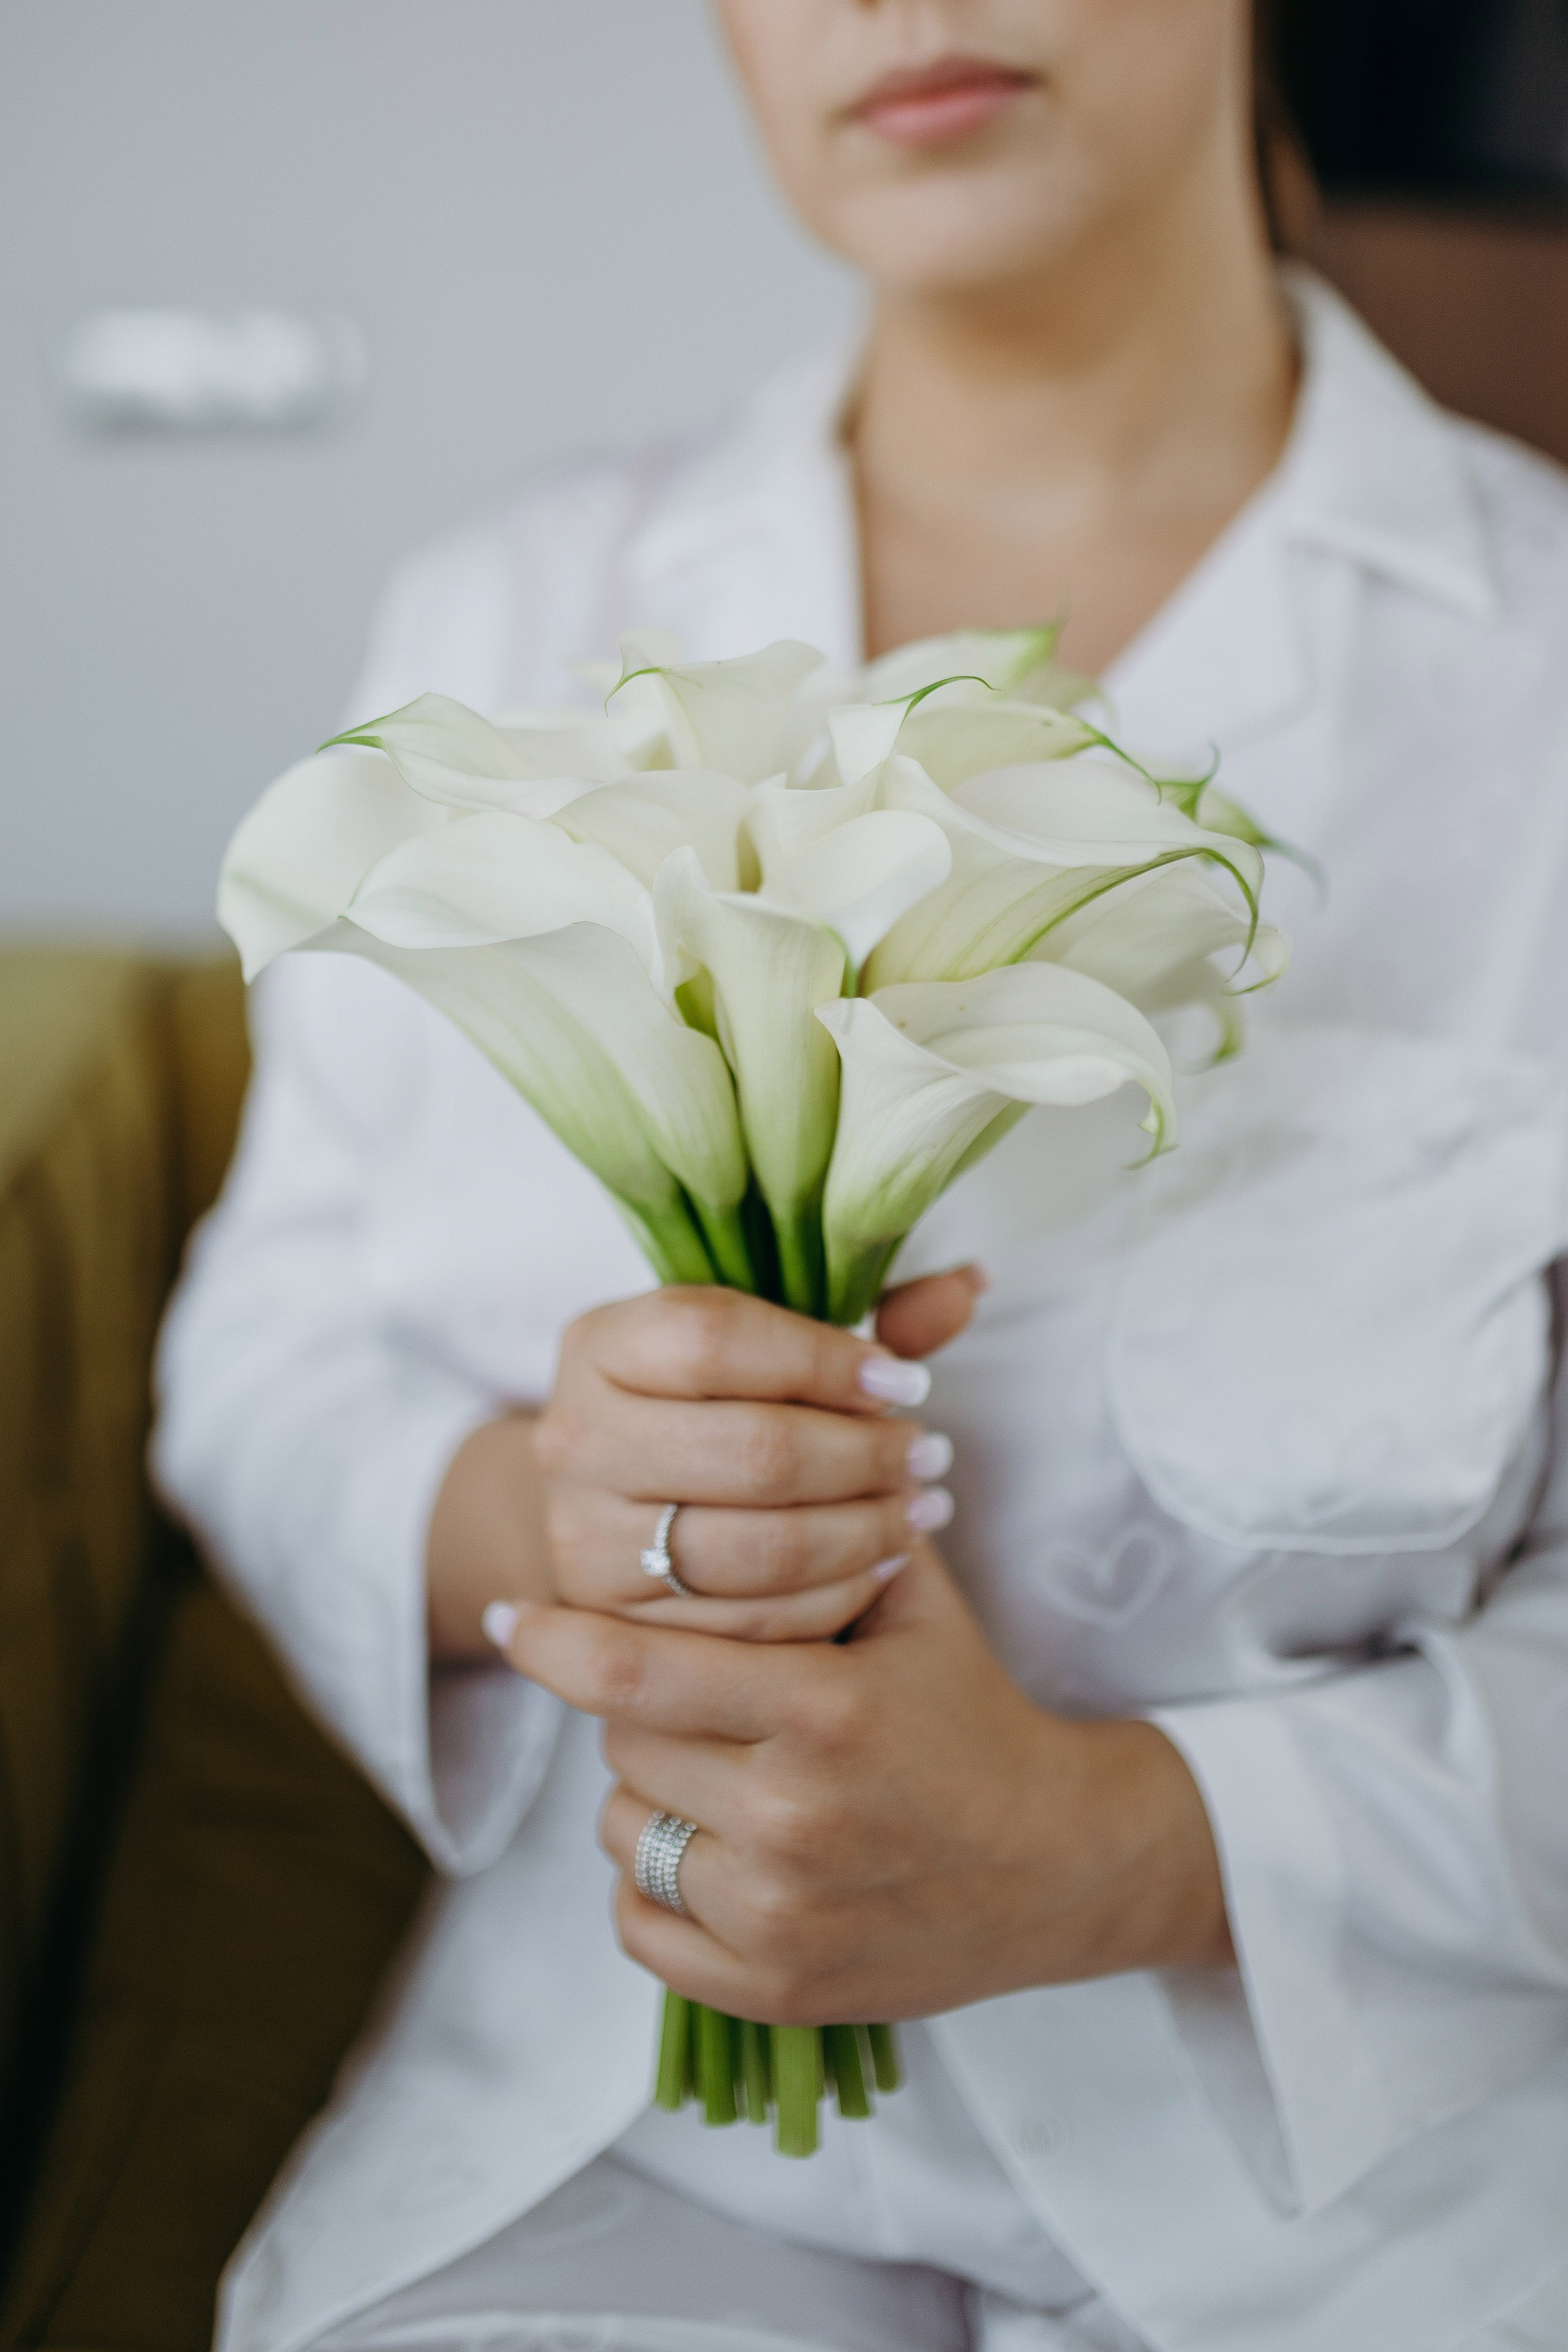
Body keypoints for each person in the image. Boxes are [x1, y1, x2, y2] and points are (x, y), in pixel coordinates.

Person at [153, 2, 1568, 2348]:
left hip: (1366, 2200)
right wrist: (557, 1516)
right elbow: (265, 1358)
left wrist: (1109, 1853)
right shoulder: (512, 623)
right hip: (622, 2122)